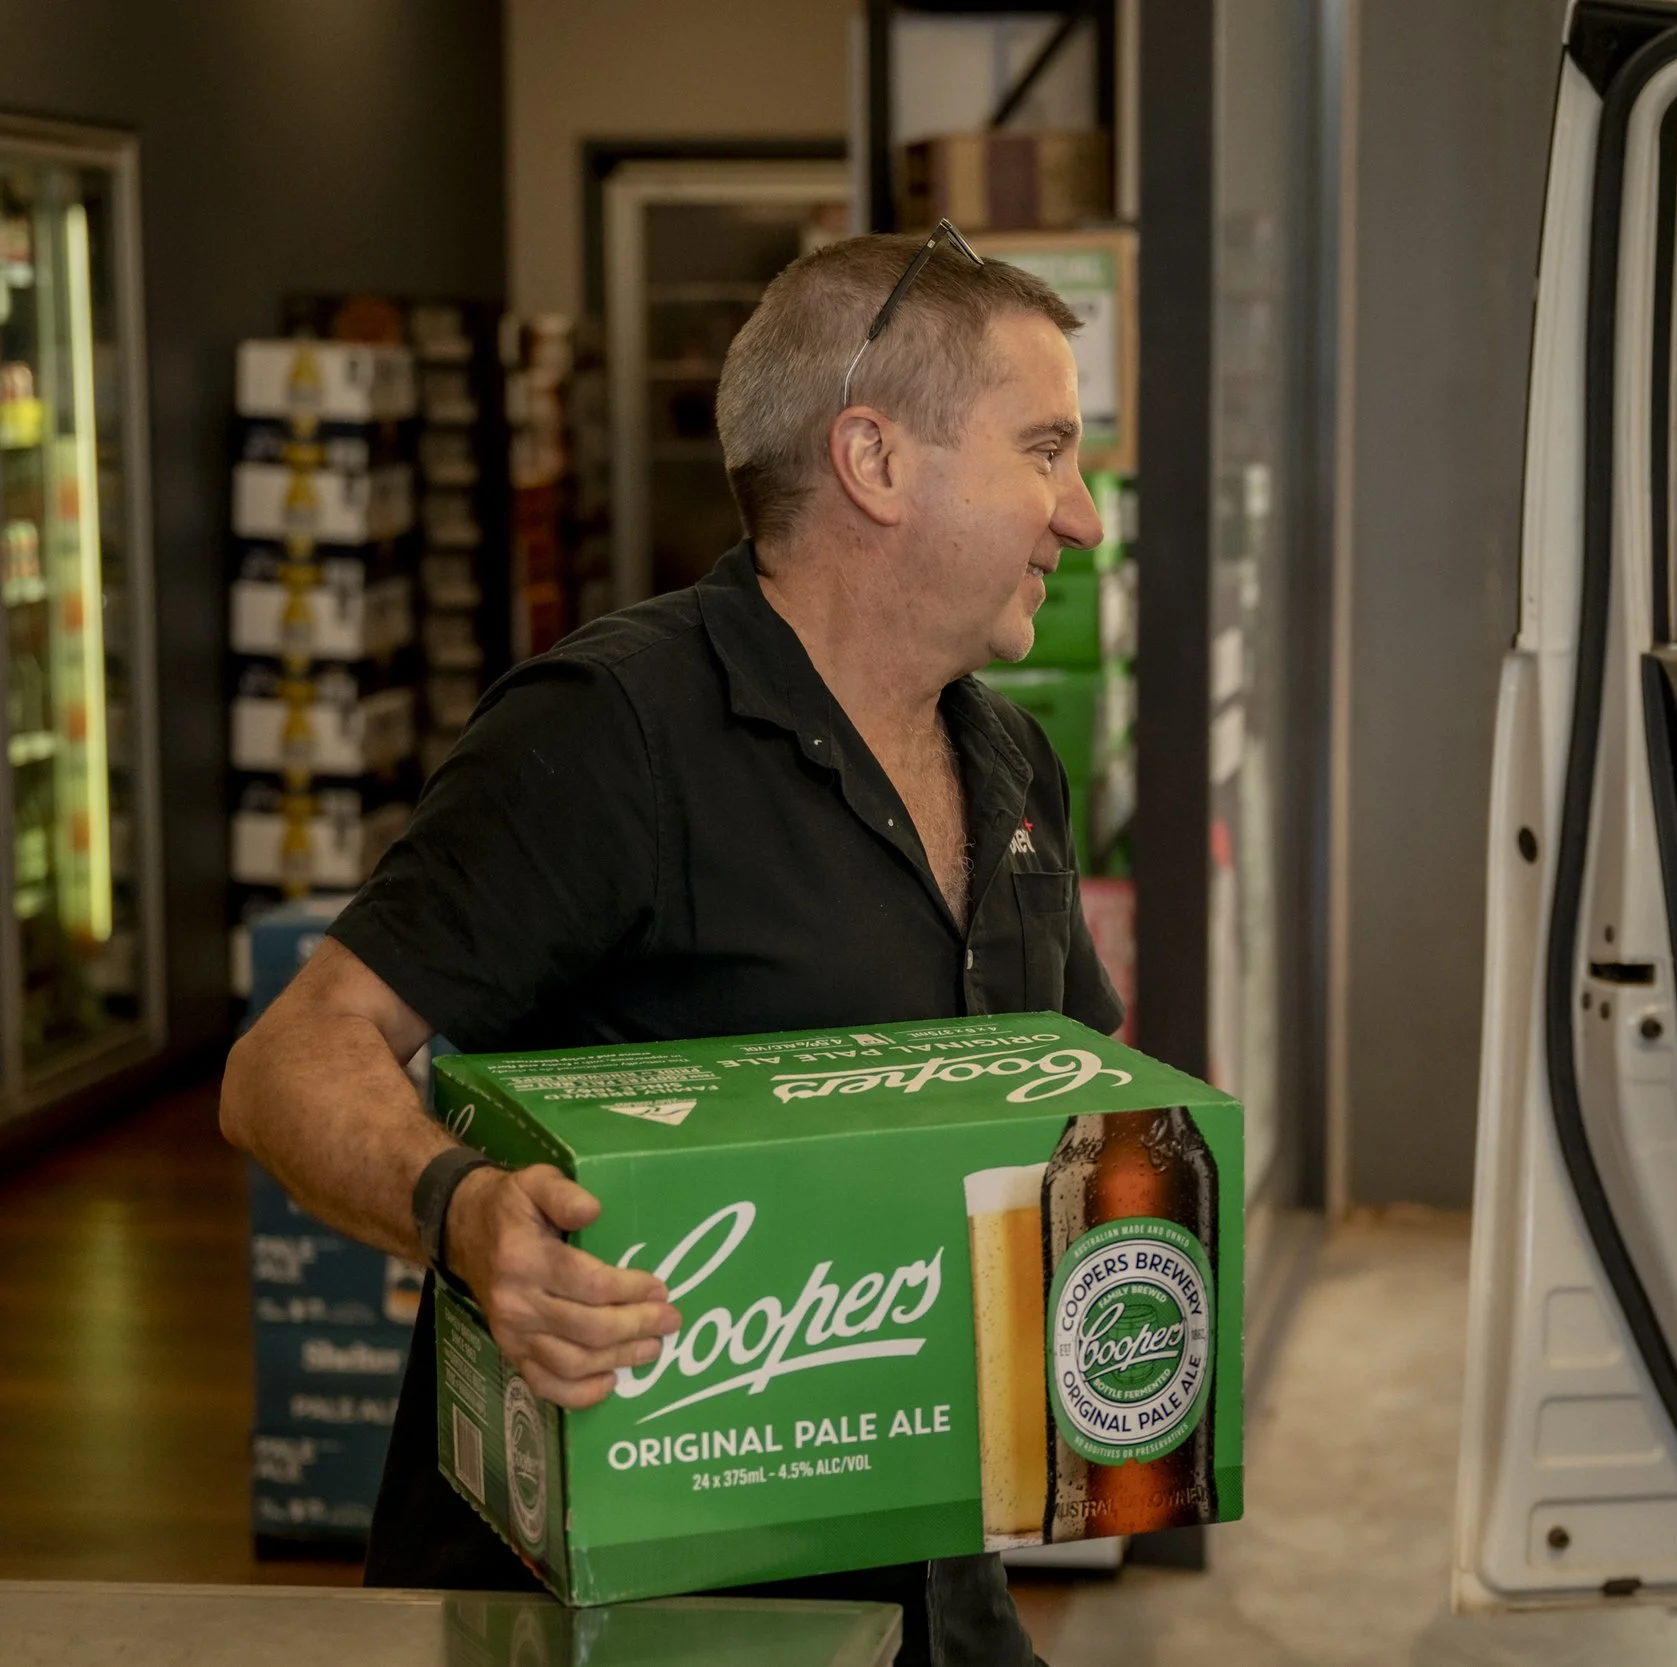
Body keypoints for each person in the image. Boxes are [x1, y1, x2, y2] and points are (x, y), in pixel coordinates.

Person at [221, 224, 1116, 1667]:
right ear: (875, 464)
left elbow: (1072, 1113)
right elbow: (287, 1059)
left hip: (928, 1596)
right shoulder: (609, 732)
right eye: (1047, 450)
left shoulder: (1009, 757)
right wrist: (466, 1213)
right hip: (607, 1610)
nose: (1082, 516)